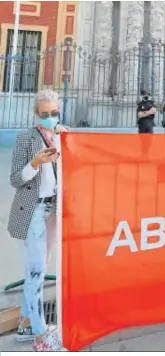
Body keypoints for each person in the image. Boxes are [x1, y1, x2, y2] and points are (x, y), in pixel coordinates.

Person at [8, 90, 68, 351]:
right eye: (45, 114)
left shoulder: (61, 135)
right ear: (36, 115)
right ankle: (42, 336)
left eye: (54, 113)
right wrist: (34, 162)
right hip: (32, 211)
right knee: (36, 272)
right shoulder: (26, 139)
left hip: (53, 211)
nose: (50, 118)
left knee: (40, 267)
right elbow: (15, 179)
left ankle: (24, 323)